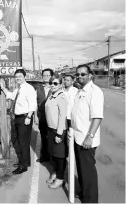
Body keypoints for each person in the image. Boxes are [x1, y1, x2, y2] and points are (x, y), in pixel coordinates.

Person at [69, 64, 104, 203]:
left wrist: (90, 137)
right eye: (77, 74)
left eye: (83, 74)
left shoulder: (94, 91)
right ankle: (84, 193)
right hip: (77, 137)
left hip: (86, 139)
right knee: (82, 169)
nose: (79, 77)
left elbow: (97, 117)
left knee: (88, 172)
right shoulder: (80, 91)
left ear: (90, 75)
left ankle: (91, 200)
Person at [0, 69, 37, 175]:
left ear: (24, 77)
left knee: (23, 142)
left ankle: (23, 166)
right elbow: (10, 96)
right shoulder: (17, 89)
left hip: (24, 117)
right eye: (16, 77)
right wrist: (3, 88)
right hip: (17, 118)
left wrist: (29, 117)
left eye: (20, 76)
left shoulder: (29, 88)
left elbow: (33, 103)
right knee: (18, 140)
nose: (17, 78)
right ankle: (25, 161)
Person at [45, 75, 68, 189]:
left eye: (55, 83)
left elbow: (62, 116)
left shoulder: (61, 97)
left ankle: (60, 178)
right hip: (51, 129)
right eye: (51, 83)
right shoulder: (51, 96)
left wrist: (59, 133)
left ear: (60, 85)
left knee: (59, 156)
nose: (52, 85)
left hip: (58, 130)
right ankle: (55, 173)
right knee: (53, 155)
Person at [35, 68, 54, 163]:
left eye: (48, 75)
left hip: (53, 119)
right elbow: (35, 104)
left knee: (53, 138)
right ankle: (45, 156)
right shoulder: (38, 89)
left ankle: (53, 157)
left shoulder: (55, 87)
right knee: (43, 137)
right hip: (42, 118)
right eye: (44, 75)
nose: (46, 77)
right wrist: (35, 116)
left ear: (51, 76)